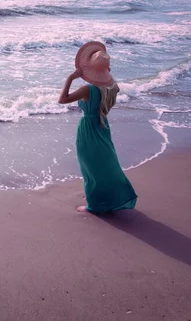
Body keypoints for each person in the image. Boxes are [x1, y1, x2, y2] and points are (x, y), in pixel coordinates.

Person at [58, 41, 137, 213]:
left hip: (88, 129)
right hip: (102, 125)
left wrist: (70, 78)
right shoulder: (112, 87)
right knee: (104, 163)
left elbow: (62, 100)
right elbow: (108, 84)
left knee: (90, 167)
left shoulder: (88, 90)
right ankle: (109, 195)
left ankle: (93, 204)